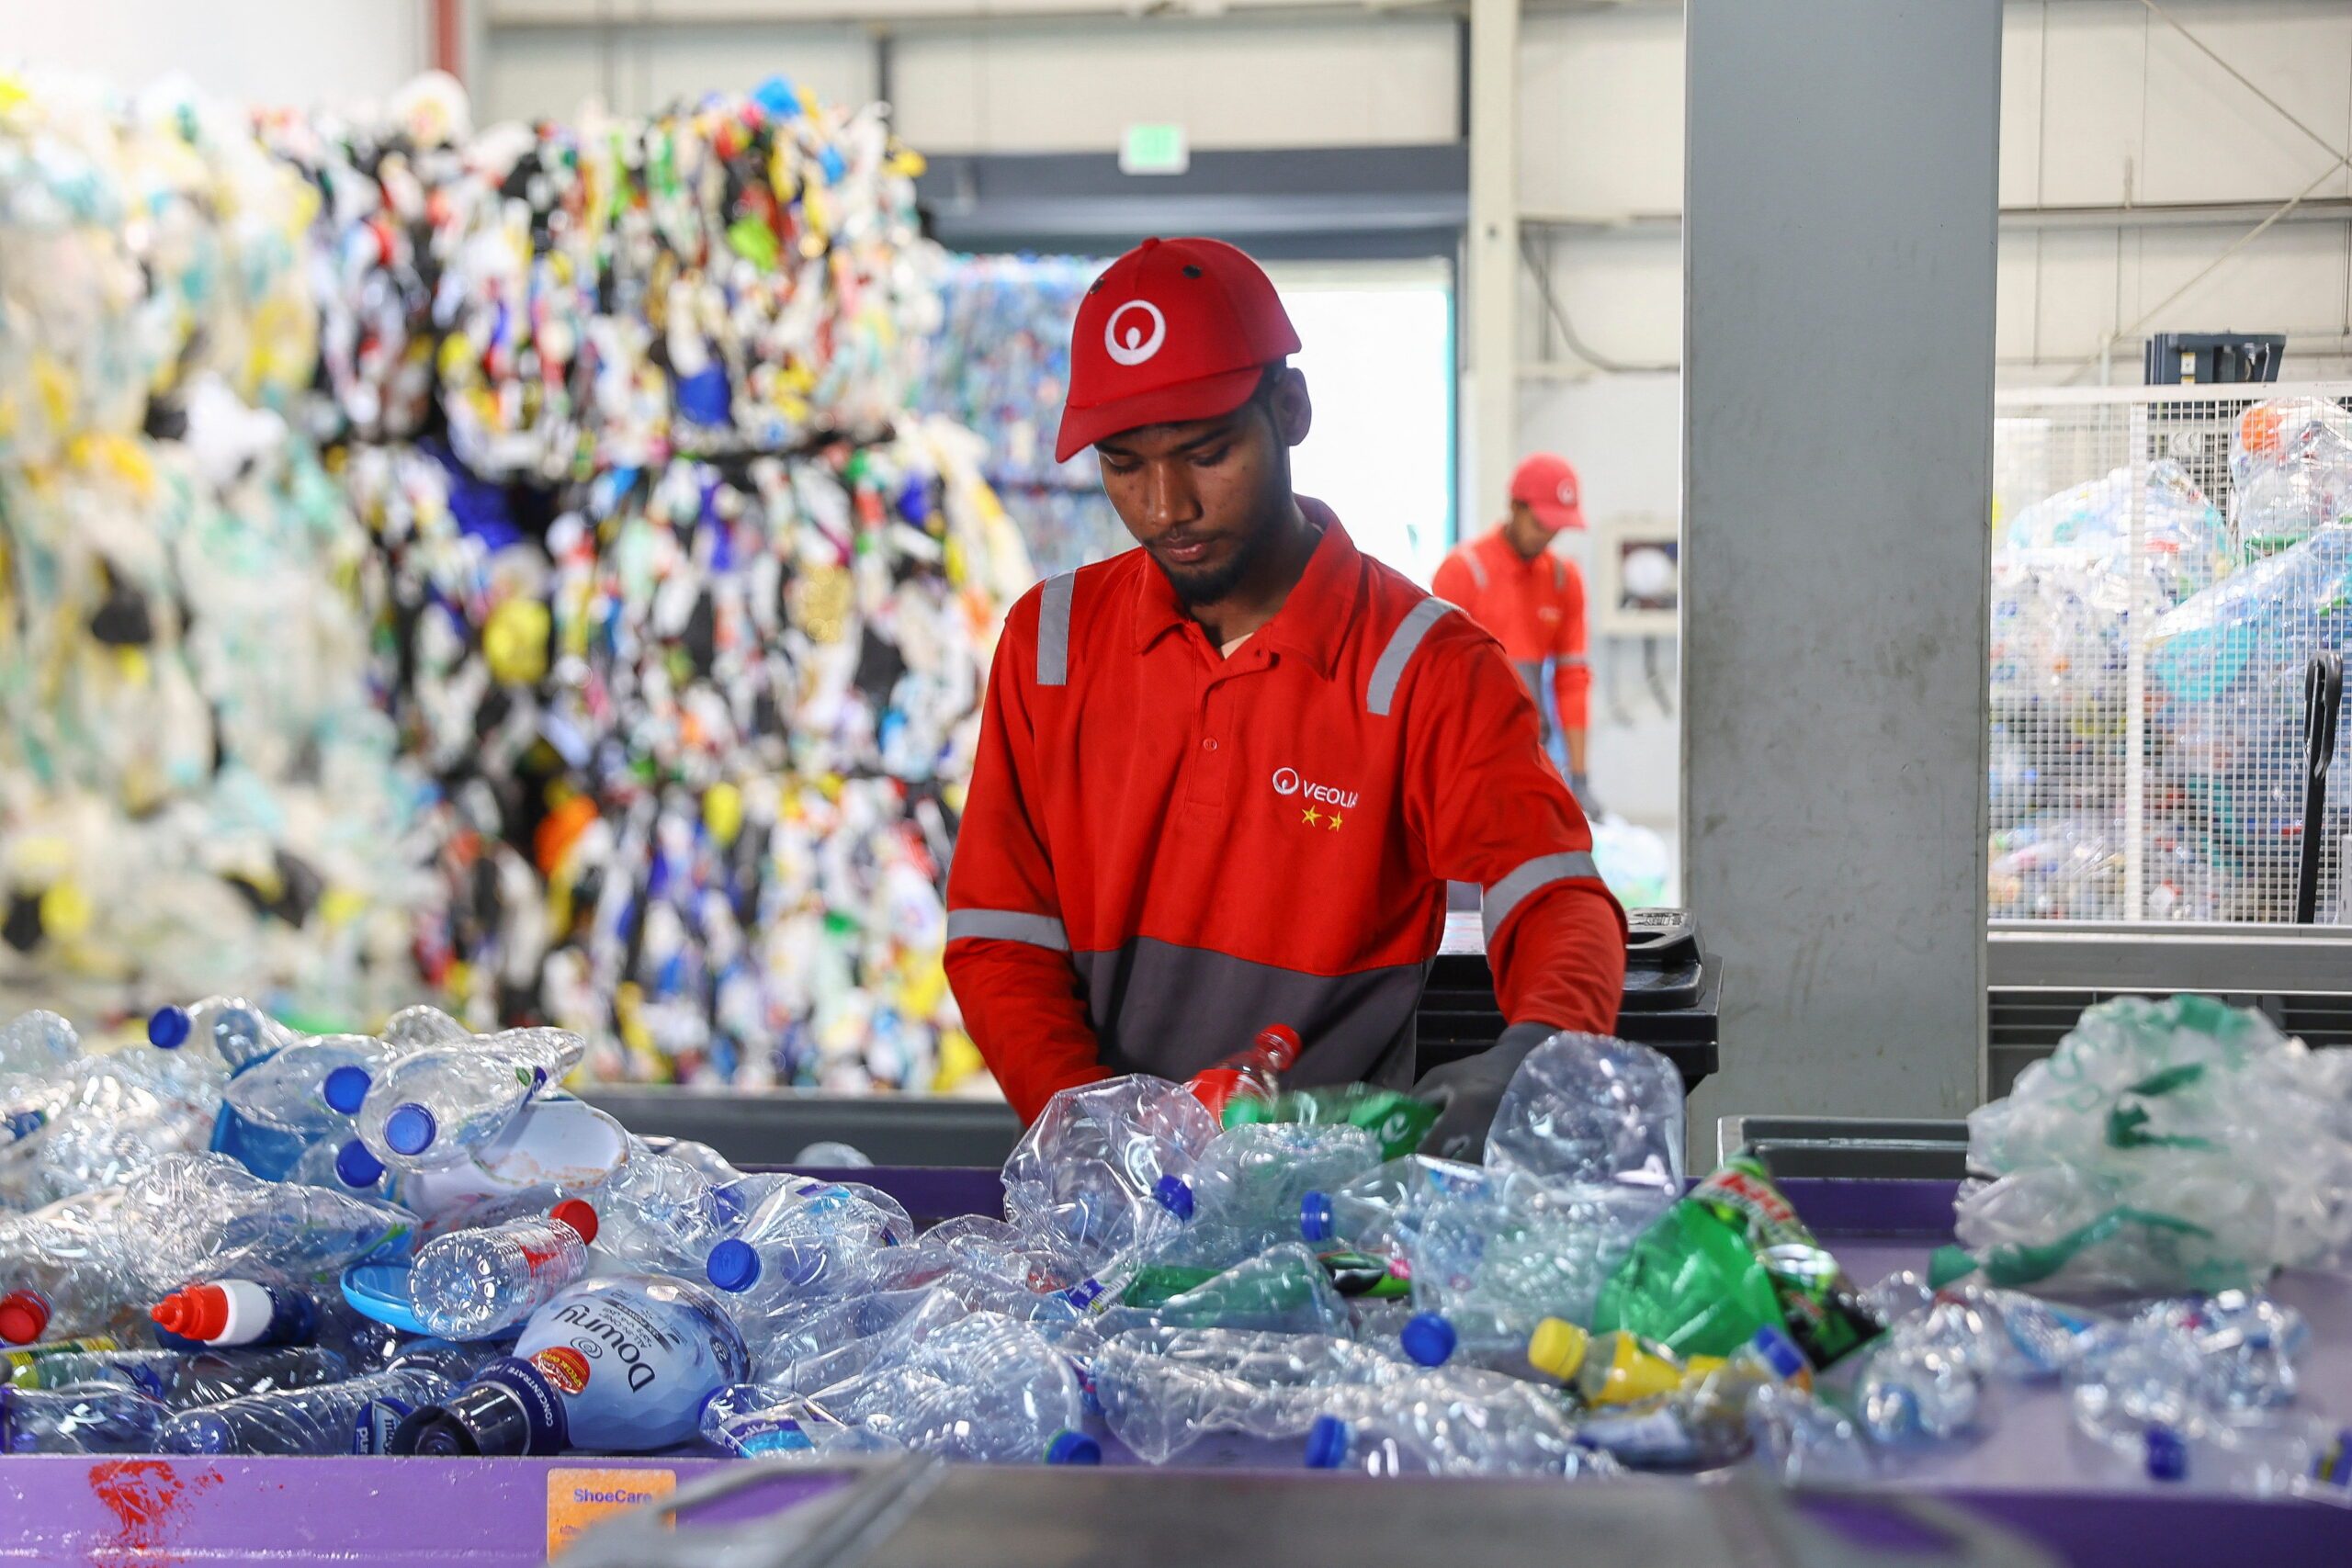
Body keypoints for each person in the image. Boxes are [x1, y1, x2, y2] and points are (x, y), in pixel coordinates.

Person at [943, 236, 1627, 1158]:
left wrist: (1536, 1056)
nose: (1164, 506)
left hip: (1326, 1216)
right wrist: (1102, 1144)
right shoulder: (1050, 646)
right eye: (1122, 464)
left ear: (1290, 408)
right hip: (1101, 1205)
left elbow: (1551, 895)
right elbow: (998, 936)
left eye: (1205, 452)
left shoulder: (1425, 667)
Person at [1431, 457, 1596, 811]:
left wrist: (1580, 778)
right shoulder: (1463, 572)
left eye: (1556, 528)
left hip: (1532, 757)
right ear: (1514, 506)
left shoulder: (1563, 580)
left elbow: (1572, 680)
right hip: (1467, 759)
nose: (1547, 536)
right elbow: (1435, 682)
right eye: (1540, 524)